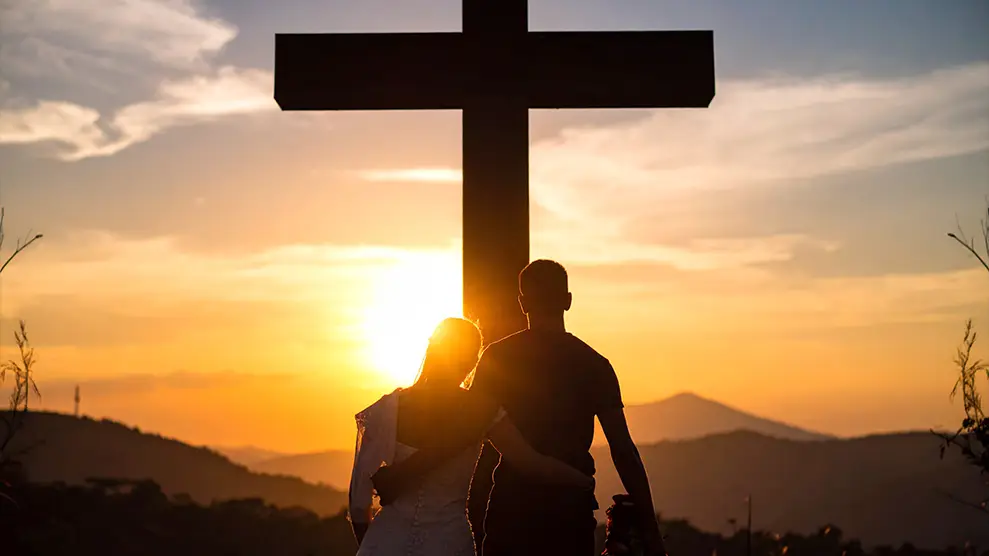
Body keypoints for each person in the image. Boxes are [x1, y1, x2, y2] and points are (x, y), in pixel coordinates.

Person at [377, 259, 668, 556]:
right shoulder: (595, 365)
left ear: (522, 303)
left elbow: (461, 433)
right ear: (568, 301)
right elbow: (623, 450)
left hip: (510, 509)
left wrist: (403, 475)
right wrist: (652, 533)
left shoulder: (496, 358)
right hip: (569, 509)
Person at [348, 317, 595, 556]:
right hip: (448, 542)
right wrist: (583, 480)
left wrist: (374, 544)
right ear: (471, 360)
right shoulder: (481, 411)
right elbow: (533, 464)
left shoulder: (385, 410)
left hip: (385, 542)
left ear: (432, 351)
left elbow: (359, 502)